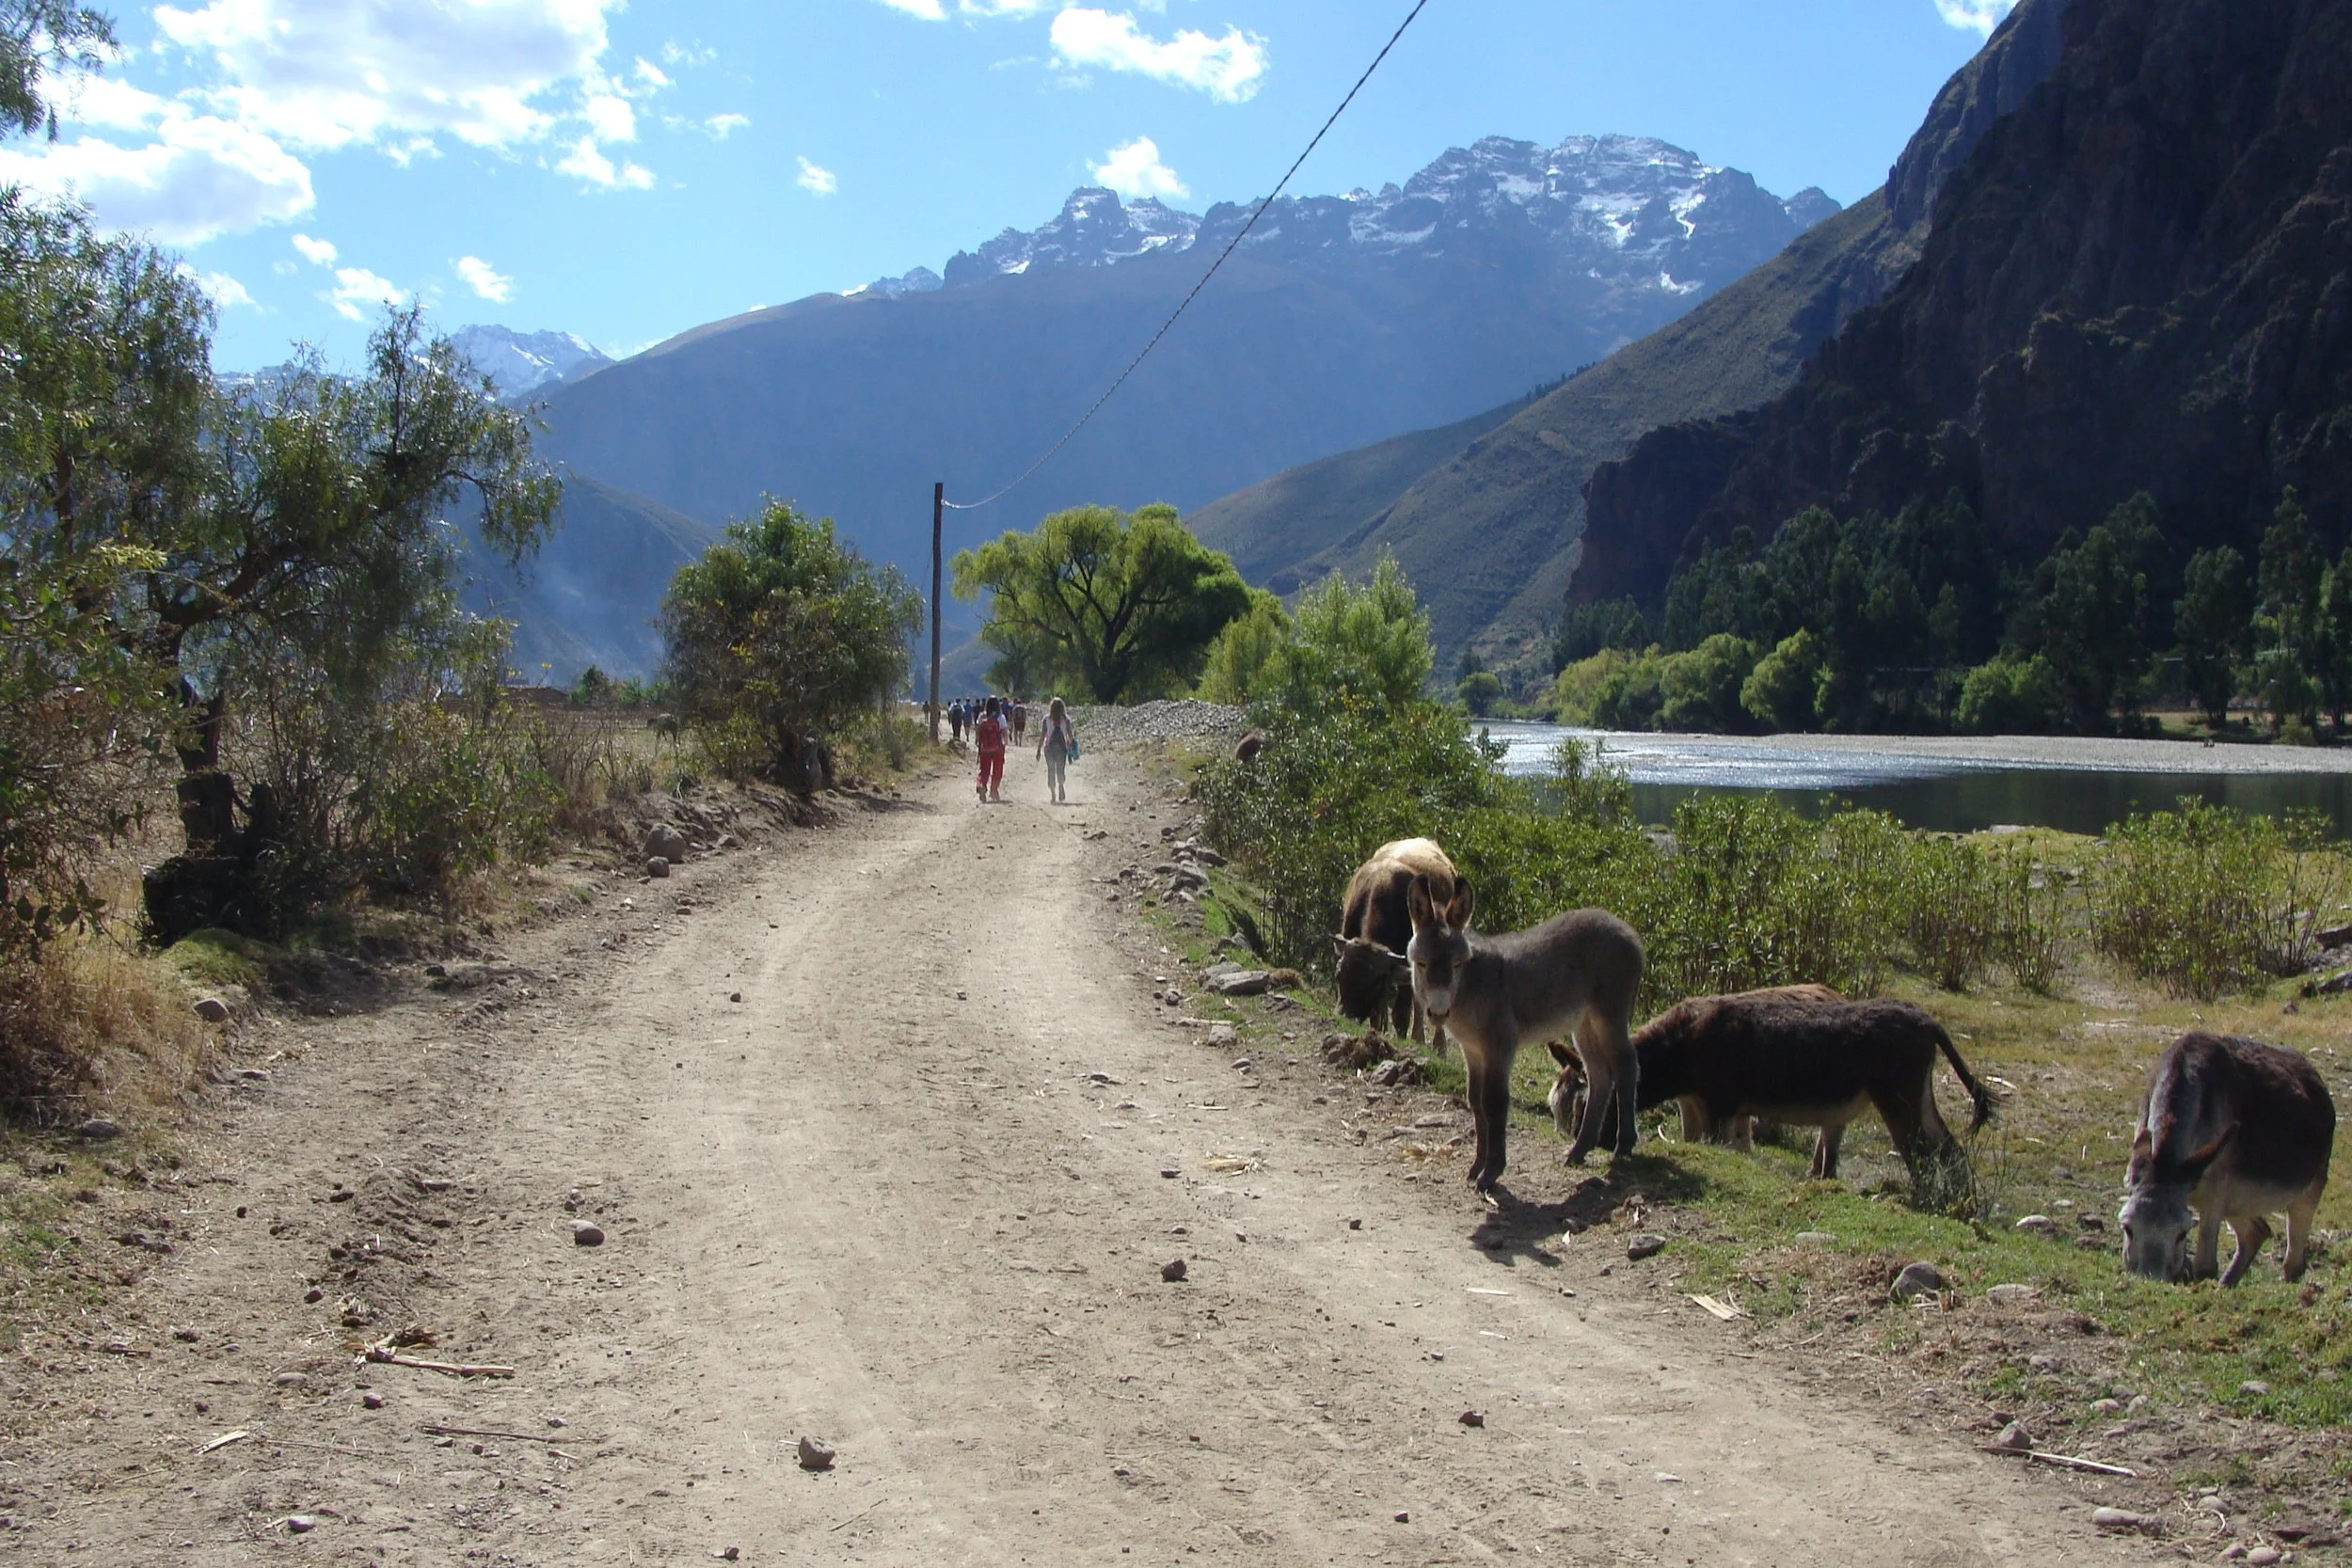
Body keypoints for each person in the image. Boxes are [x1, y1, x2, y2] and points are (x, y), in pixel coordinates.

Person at [1037, 696, 1075, 804]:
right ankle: (1061, 785)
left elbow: (1043, 735)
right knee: (1060, 769)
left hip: (1049, 748)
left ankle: (1053, 794)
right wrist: (1072, 748)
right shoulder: (1066, 720)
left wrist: (1038, 750)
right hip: (1062, 749)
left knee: (1051, 770)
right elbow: (1070, 736)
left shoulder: (1046, 719)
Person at [974, 696, 1008, 802]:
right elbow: (1005, 734)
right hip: (997, 748)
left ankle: (981, 785)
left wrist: (978, 742)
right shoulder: (1001, 717)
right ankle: (994, 791)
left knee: (984, 770)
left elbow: (978, 731)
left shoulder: (981, 716)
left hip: (984, 748)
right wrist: (1004, 744)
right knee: (997, 770)